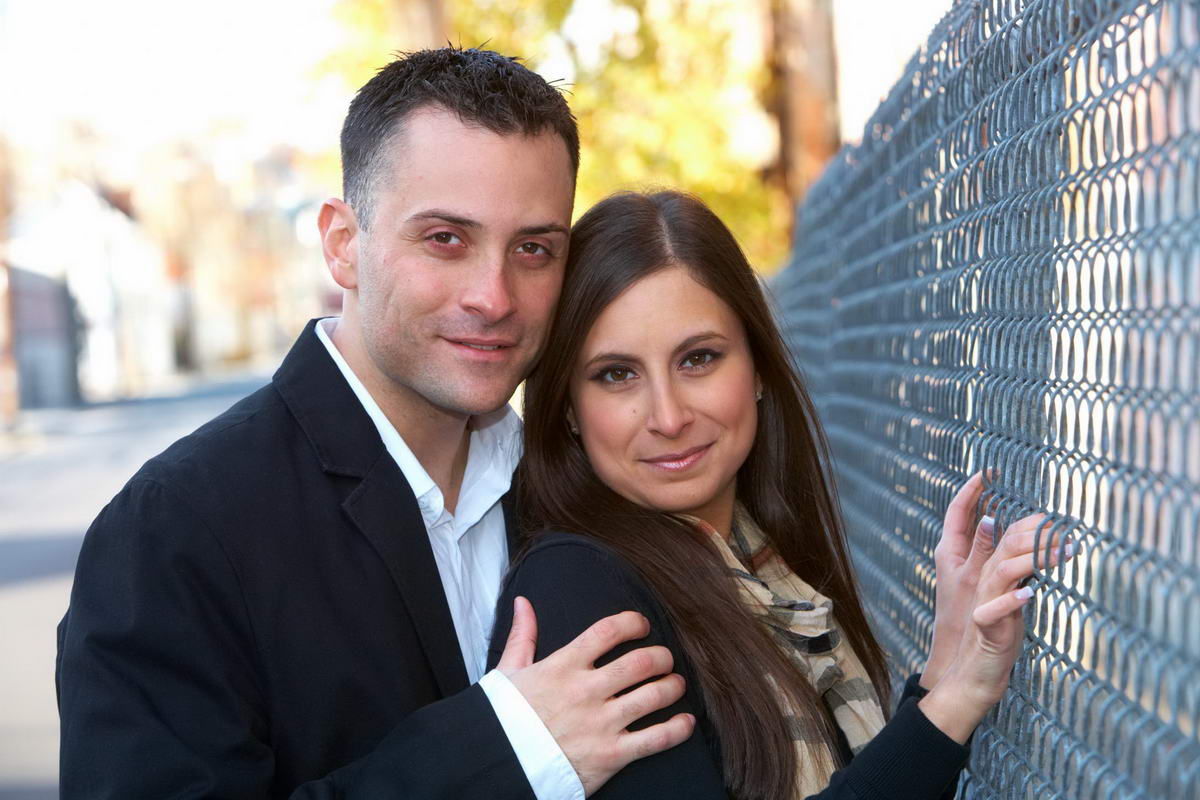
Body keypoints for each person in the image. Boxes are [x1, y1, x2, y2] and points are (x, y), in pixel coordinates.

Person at [56, 49, 694, 798]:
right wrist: (505, 751)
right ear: (342, 245)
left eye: (533, 249)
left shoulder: (577, 485)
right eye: (445, 239)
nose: (494, 297)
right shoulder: (176, 529)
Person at [488, 190, 1076, 799]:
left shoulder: (764, 566)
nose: (667, 416)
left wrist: (948, 657)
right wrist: (962, 695)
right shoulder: (578, 591)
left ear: (759, 369)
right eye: (617, 374)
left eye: (698, 359)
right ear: (569, 408)